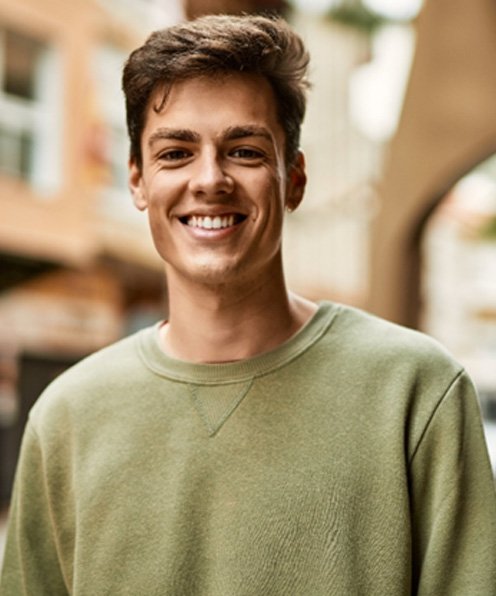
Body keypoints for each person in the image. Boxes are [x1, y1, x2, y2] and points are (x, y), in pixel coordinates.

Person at [1, 13, 495, 595]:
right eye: (176, 153)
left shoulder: (416, 393)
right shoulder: (66, 419)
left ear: (294, 179)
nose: (210, 180)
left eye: (244, 151)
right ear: (137, 179)